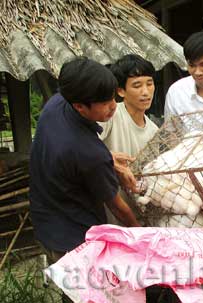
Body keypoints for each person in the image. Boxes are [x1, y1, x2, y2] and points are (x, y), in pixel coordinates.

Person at [30, 57, 141, 265]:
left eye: (112, 98)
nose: (113, 107)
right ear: (80, 106)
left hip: (44, 218)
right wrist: (142, 236)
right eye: (105, 103)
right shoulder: (88, 154)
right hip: (73, 239)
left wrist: (108, 157)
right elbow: (118, 207)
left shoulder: (58, 102)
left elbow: (77, 157)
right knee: (86, 294)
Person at [99, 54, 159, 193]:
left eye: (149, 84)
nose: (145, 92)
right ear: (121, 91)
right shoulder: (110, 115)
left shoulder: (154, 130)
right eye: (137, 85)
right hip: (110, 202)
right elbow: (84, 147)